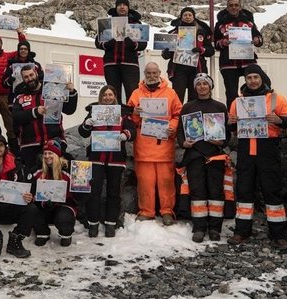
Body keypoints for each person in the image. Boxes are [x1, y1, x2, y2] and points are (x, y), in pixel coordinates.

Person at [227, 64, 287, 249]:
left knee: (272, 190)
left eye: (256, 77)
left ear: (262, 78)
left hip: (268, 148)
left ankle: (279, 235)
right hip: (246, 148)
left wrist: (279, 120)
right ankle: (242, 231)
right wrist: (231, 122)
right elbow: (231, 127)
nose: (253, 81)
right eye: (249, 78)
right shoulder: (237, 102)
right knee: (244, 190)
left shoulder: (277, 98)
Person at [175, 74, 230, 242]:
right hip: (194, 156)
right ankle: (199, 228)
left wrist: (222, 141)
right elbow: (180, 131)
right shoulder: (188, 107)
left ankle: (215, 228)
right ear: (195, 87)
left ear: (210, 86)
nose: (202, 87)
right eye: (199, 84)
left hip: (215, 155)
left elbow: (227, 133)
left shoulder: (220, 107)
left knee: (216, 192)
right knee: (197, 191)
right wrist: (184, 143)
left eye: (205, 83)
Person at [127, 63, 183, 225]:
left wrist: (172, 127)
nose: (151, 76)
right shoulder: (136, 94)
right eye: (148, 73)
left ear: (159, 73)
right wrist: (134, 114)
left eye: (154, 73)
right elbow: (128, 120)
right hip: (143, 148)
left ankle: (167, 211)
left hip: (164, 147)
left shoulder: (171, 93)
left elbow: (178, 114)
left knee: (166, 182)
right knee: (145, 182)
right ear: (144, 74)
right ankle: (146, 211)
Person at [77, 85, 135, 237]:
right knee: (93, 192)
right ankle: (93, 224)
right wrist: (86, 124)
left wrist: (125, 134)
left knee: (114, 192)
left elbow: (132, 130)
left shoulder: (123, 113)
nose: (107, 97)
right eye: (104, 95)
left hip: (116, 159)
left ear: (115, 96)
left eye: (110, 94)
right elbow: (82, 133)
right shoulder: (93, 111)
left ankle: (111, 223)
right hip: (96, 158)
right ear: (100, 97)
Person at [11, 65, 78, 175]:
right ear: (23, 79)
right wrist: (34, 112)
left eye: (31, 75)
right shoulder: (19, 97)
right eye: (26, 77)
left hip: (54, 141)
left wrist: (71, 92)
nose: (30, 78)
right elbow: (16, 117)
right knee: (33, 177)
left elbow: (69, 110)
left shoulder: (52, 90)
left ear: (36, 74)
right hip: (30, 145)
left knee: (57, 175)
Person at [213, 0, 264, 109]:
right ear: (227, 8)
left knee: (261, 84)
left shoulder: (249, 22)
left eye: (236, 5)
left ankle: (257, 112)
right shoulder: (220, 24)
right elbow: (215, 44)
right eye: (231, 5)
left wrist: (257, 40)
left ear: (240, 7)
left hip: (248, 61)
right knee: (231, 93)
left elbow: (259, 38)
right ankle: (233, 116)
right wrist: (223, 42)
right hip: (228, 63)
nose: (234, 7)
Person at [96, 0, 147, 103]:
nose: (122, 7)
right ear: (116, 7)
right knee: (113, 95)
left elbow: (143, 44)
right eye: (119, 5)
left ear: (128, 7)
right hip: (111, 65)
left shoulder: (136, 24)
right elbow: (98, 42)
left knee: (132, 94)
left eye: (124, 5)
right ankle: (115, 114)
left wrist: (133, 44)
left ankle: (131, 114)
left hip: (130, 64)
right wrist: (108, 44)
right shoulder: (107, 23)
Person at [162, 7, 215, 103]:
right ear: (181, 17)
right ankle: (177, 113)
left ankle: (193, 113)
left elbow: (211, 50)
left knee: (194, 98)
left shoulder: (202, 33)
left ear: (193, 17)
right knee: (177, 97)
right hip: (178, 69)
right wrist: (167, 52)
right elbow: (165, 55)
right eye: (185, 15)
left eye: (190, 15)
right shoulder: (173, 33)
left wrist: (201, 49)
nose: (187, 17)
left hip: (196, 69)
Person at [31, 140, 78, 247]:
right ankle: (42, 232)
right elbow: (31, 191)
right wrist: (41, 201)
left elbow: (76, 195)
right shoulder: (37, 171)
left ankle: (66, 234)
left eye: (50, 153)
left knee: (64, 217)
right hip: (44, 206)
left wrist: (85, 186)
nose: (47, 156)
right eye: (45, 153)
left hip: (64, 205)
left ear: (57, 155)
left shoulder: (69, 171)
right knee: (31, 210)